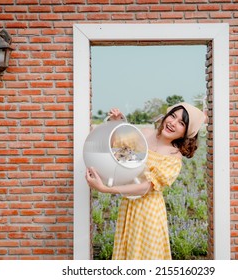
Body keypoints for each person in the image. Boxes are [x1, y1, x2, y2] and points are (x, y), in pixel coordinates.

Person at [85, 102, 206, 260]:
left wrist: (106, 189)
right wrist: (116, 123)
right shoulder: (145, 133)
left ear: (186, 132)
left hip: (150, 212)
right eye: (173, 116)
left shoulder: (174, 157)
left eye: (181, 123)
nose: (172, 123)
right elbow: (117, 146)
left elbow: (145, 187)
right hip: (128, 205)